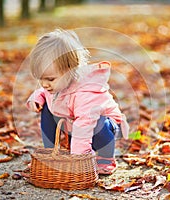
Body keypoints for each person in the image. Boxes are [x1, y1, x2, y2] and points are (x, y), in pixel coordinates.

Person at [26, 29, 129, 175]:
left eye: (49, 79)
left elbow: (84, 126)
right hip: (75, 123)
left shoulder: (85, 93)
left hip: (105, 128)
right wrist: (37, 99)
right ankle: (50, 153)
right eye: (40, 79)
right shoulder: (57, 85)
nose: (44, 84)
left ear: (70, 71)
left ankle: (105, 157)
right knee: (47, 108)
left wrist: (78, 159)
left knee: (96, 119)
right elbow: (44, 93)